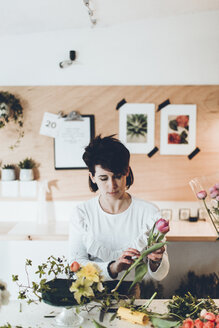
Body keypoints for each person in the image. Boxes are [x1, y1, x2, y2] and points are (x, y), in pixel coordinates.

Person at [69, 135, 169, 293]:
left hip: (130, 293)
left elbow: (161, 274)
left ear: (127, 172)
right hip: (88, 292)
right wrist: (113, 268)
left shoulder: (149, 213)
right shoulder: (82, 213)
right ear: (92, 177)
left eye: (117, 176)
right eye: (103, 178)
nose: (112, 185)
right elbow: (76, 266)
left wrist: (156, 261)